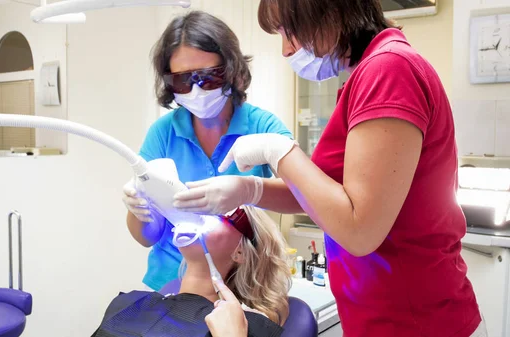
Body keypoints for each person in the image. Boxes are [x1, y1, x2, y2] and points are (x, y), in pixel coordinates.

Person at [172, 1, 485, 336]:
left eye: (288, 30)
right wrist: (252, 189)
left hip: (415, 321)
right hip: (380, 316)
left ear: (329, 9)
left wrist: (280, 152)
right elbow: (327, 198)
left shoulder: (389, 70)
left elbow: (359, 230)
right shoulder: (367, 74)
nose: (286, 48)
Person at [123, 10, 293, 292]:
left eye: (208, 77)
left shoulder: (263, 126)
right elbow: (146, 238)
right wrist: (139, 207)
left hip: (248, 282)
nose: (196, 90)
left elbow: (306, 199)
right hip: (175, 284)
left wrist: (249, 189)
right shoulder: (163, 133)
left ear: (232, 70)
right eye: (182, 80)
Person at [92, 206, 291, 337]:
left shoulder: (245, 327)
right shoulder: (131, 302)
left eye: (216, 211)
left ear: (240, 251)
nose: (195, 215)